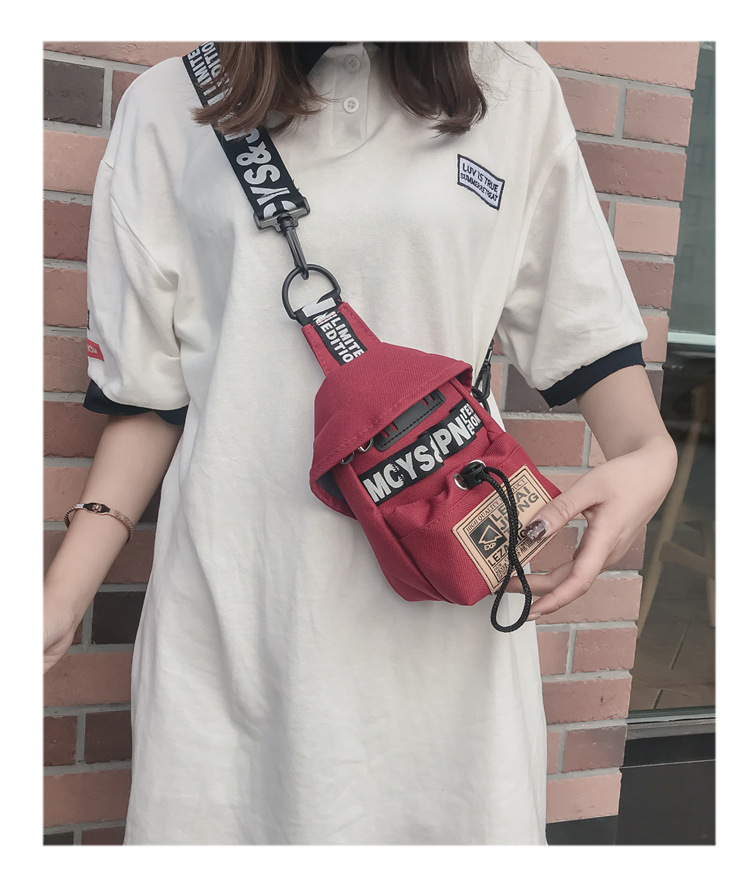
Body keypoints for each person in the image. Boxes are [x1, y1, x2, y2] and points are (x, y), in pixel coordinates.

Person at [43, 42, 677, 845]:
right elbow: (146, 397)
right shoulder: (170, 104)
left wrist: (652, 457)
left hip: (445, 630)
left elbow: (589, 342)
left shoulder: (510, 86)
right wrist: (63, 594)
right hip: (236, 622)